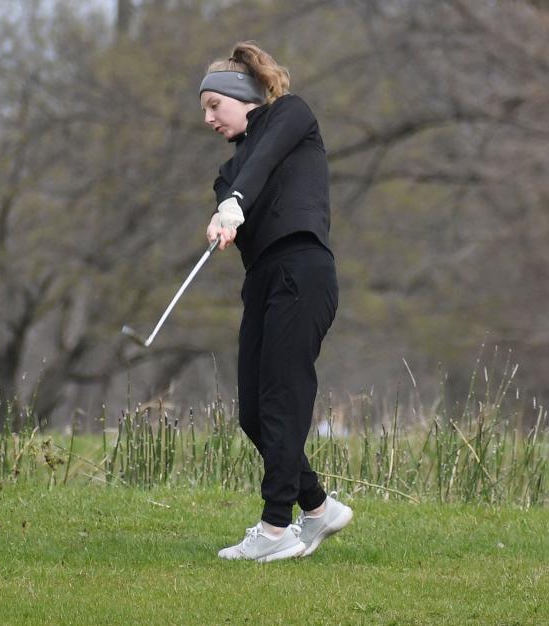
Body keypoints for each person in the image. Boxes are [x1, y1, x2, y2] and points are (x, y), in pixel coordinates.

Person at [199, 41, 352, 562]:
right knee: (253, 414)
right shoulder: (227, 175)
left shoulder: (292, 114)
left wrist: (236, 202)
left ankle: (274, 527)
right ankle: (317, 508)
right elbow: (244, 176)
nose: (208, 119)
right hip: (263, 281)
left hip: (302, 270)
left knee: (283, 401)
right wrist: (225, 216)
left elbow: (264, 159)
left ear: (242, 96)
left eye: (213, 106)